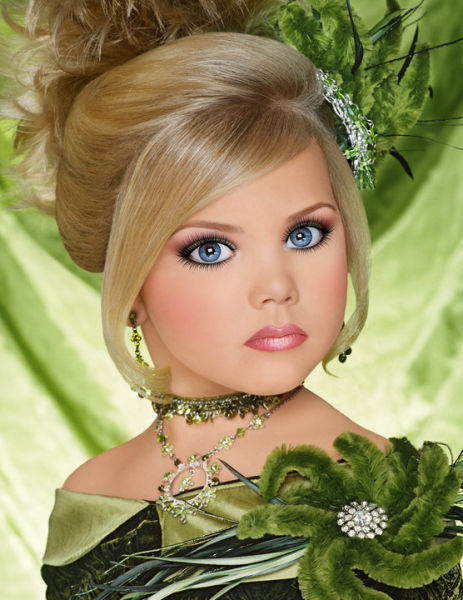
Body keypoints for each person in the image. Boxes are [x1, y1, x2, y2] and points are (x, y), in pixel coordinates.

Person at [4, 0, 462, 598]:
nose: (277, 287)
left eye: (305, 235)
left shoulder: (400, 507)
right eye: (211, 249)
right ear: (130, 278)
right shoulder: (91, 501)